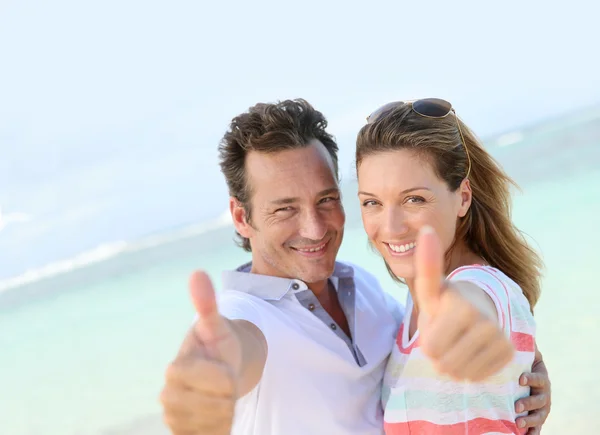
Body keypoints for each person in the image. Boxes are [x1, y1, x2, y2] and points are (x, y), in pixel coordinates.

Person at [159, 99, 551, 435]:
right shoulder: (242, 316)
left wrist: (518, 365)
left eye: (326, 199)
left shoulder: (362, 287)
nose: (314, 228)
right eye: (285, 208)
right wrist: (209, 372)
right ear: (241, 217)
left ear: (462, 198)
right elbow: (234, 347)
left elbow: (462, 309)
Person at [355, 98, 544, 434]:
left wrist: (462, 319)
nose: (391, 226)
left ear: (463, 197)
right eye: (372, 203)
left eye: (414, 199)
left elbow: (473, 303)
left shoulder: (482, 288)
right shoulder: (410, 307)